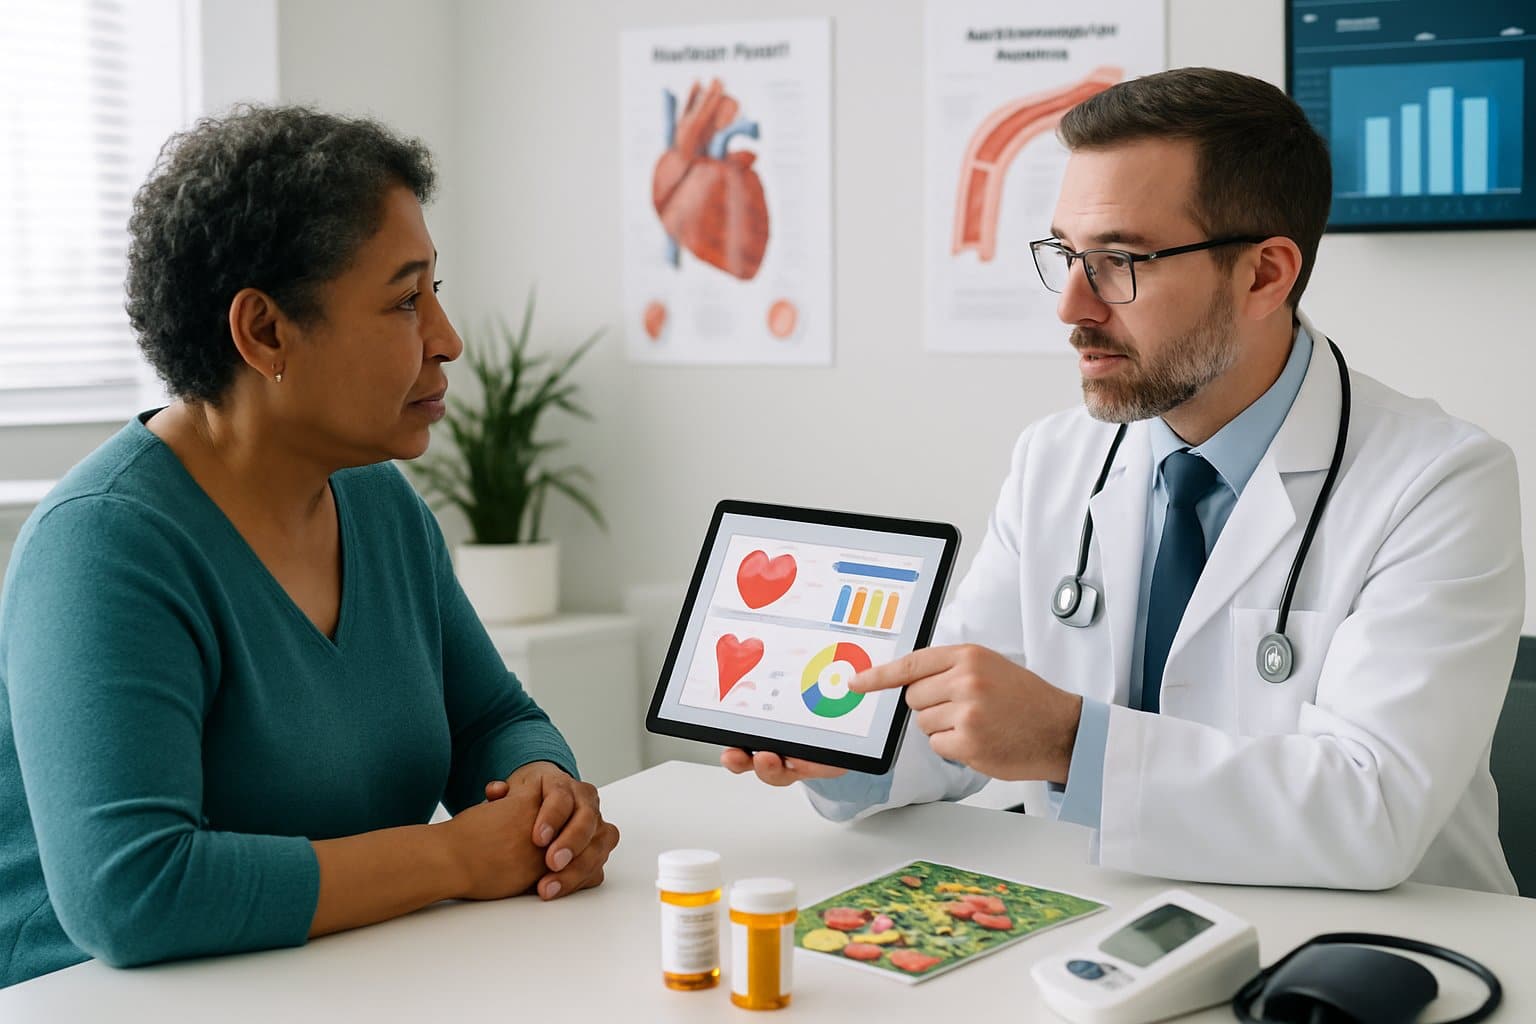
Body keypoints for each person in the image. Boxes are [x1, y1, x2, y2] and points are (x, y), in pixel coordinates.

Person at [725, 67, 1523, 894]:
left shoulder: (1439, 481)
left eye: (1117, 261)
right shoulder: (1056, 460)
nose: (1072, 305)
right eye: (1066, 255)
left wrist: (1072, 742)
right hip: (1100, 923)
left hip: (1383, 953)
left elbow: (1374, 811)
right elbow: (964, 711)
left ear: (1264, 275)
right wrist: (849, 752)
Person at [0, 106, 620, 988]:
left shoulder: (378, 501)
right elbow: (131, 892)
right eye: (406, 301)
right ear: (263, 332)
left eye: (436, 291)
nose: (446, 339)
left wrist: (540, 794)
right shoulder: (103, 547)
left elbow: (490, 719)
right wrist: (454, 859)